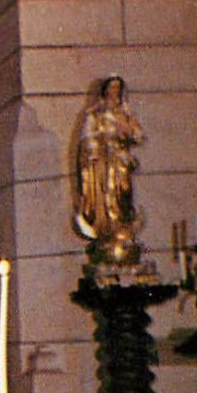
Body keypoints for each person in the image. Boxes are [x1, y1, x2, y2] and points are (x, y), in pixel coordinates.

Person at [74, 75, 145, 257]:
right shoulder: (95, 115)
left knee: (123, 193)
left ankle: (123, 225)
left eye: (117, 91)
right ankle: (106, 228)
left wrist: (128, 132)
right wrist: (98, 145)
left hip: (120, 162)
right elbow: (87, 139)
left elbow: (138, 134)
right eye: (111, 91)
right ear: (105, 93)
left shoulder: (125, 114)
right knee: (107, 195)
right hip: (103, 165)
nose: (114, 95)